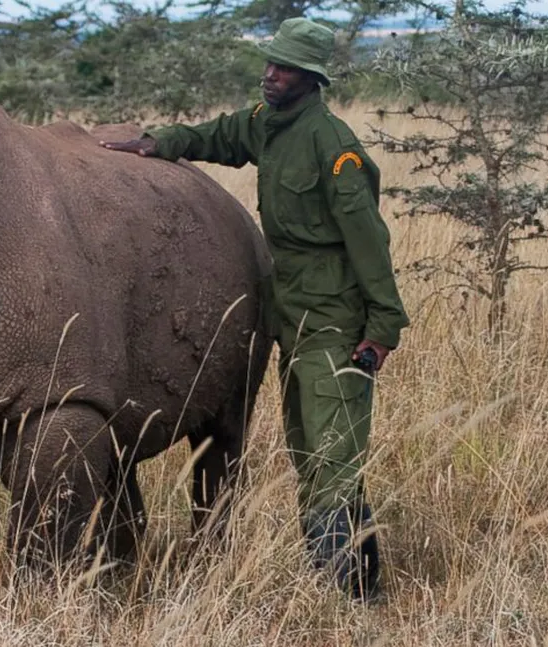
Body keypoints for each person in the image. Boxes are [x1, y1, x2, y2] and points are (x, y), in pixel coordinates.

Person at [100, 17, 409, 603]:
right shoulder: (269, 124)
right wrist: (157, 142)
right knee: (307, 442)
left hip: (332, 311)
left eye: (285, 67)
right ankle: (356, 583)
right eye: (270, 62)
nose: (271, 74)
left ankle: (347, 594)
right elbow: (218, 136)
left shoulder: (334, 147)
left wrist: (382, 325)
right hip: (286, 305)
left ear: (311, 78)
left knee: (329, 449)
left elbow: (370, 243)